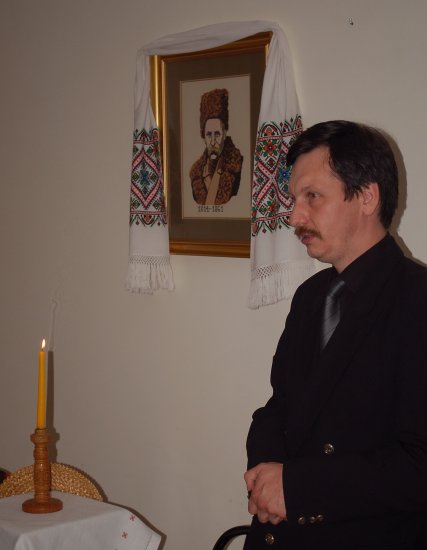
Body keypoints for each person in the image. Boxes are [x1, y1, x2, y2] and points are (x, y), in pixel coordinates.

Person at [244, 120, 427, 549]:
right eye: (294, 199)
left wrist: (297, 488)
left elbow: (420, 464)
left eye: (313, 196)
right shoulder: (311, 296)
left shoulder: (418, 303)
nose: (295, 217)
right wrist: (266, 475)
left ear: (367, 197)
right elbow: (280, 407)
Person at [190, 88, 243, 205]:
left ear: (224, 134)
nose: (213, 142)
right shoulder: (196, 172)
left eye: (217, 134)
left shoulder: (238, 165)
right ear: (204, 137)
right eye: (209, 135)